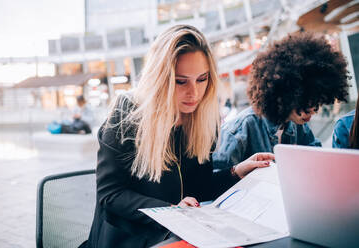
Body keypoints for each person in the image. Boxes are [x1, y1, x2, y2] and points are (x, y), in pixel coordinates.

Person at [83, 25, 274, 248]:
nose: (194, 93)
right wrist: (170, 212)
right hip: (128, 238)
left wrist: (236, 172)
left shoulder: (202, 118)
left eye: (202, 79)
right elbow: (111, 194)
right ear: (160, 79)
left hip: (180, 235)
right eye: (181, 81)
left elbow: (198, 188)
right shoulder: (127, 115)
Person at [213, 32, 350, 170]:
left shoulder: (297, 124)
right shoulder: (239, 131)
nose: (314, 111)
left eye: (317, 102)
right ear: (285, 94)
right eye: (305, 102)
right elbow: (219, 181)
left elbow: (316, 156)